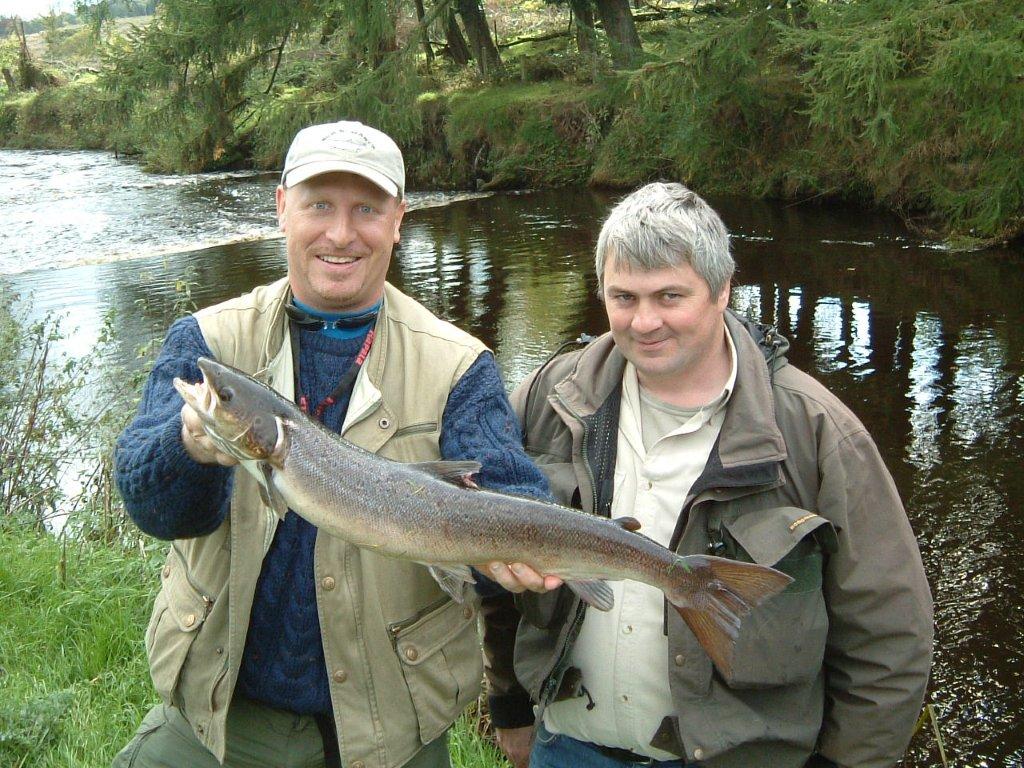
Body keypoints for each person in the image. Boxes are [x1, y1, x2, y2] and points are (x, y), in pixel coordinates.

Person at [112, 120, 550, 768]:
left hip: (391, 733)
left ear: (398, 220)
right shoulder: (207, 342)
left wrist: (508, 558)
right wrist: (191, 447)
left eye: (366, 209)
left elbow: (515, 493)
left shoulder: (460, 366)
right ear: (281, 208)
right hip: (216, 721)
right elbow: (151, 507)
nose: (341, 234)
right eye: (319, 205)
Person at [481, 182, 934, 768]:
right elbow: (489, 559)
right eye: (624, 297)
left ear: (723, 290)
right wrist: (510, 705)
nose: (644, 321)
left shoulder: (815, 432)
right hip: (566, 748)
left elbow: (889, 634)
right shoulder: (547, 399)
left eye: (670, 296)